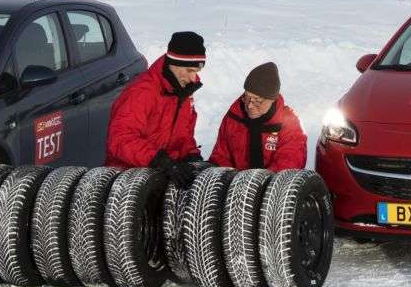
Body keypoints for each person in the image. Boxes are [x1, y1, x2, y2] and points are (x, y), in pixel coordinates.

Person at [105, 31, 210, 187]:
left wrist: (190, 155)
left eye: (196, 72)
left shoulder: (184, 91)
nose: (193, 78)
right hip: (128, 180)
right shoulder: (142, 92)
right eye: (189, 71)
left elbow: (184, 134)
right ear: (174, 64)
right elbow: (120, 139)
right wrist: (159, 160)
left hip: (163, 175)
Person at [208, 62, 308, 171]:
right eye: (247, 97)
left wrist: (260, 183)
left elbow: (289, 162)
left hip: (273, 185)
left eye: (258, 101)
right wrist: (232, 179)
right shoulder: (233, 117)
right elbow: (220, 156)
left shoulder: (290, 123)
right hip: (236, 183)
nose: (250, 105)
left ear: (272, 100)